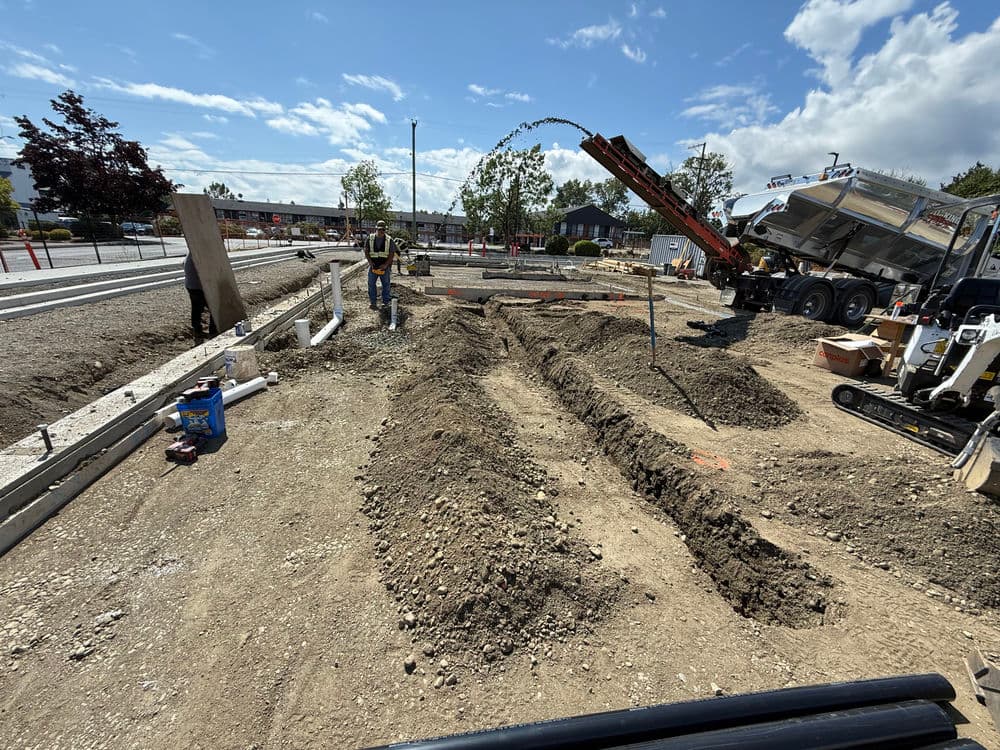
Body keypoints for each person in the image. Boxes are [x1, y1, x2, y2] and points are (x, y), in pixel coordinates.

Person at [365, 220, 397, 309]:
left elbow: (392, 254)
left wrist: (386, 265)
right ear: (376, 229)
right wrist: (370, 262)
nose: (381, 231)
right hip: (373, 266)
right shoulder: (370, 238)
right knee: (371, 284)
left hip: (384, 267)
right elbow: (366, 251)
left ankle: (385, 302)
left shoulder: (389, 240)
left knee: (386, 285)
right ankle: (373, 303)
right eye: (380, 229)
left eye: (383, 230)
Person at [184, 253, 217, 339]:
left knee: (196, 309)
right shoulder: (199, 253)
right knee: (214, 308)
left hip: (191, 285)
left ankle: (197, 330)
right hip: (198, 287)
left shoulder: (192, 253)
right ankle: (213, 331)